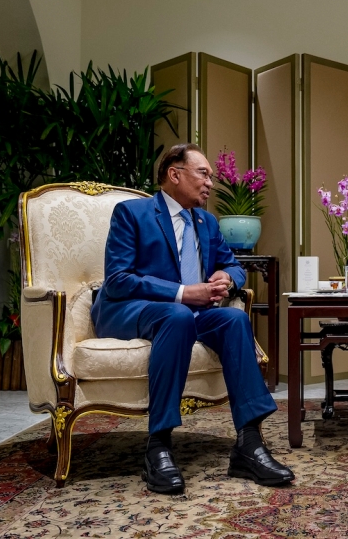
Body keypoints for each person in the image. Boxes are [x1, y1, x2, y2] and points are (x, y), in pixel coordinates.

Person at [91, 143, 294, 494]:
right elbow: (118, 279)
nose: (210, 183)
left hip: (184, 314)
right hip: (128, 309)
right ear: (175, 174)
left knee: (233, 320)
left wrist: (228, 278)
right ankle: (158, 445)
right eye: (203, 173)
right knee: (178, 314)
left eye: (212, 177)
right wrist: (184, 293)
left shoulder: (206, 221)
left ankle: (248, 442)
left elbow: (232, 263)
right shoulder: (132, 213)